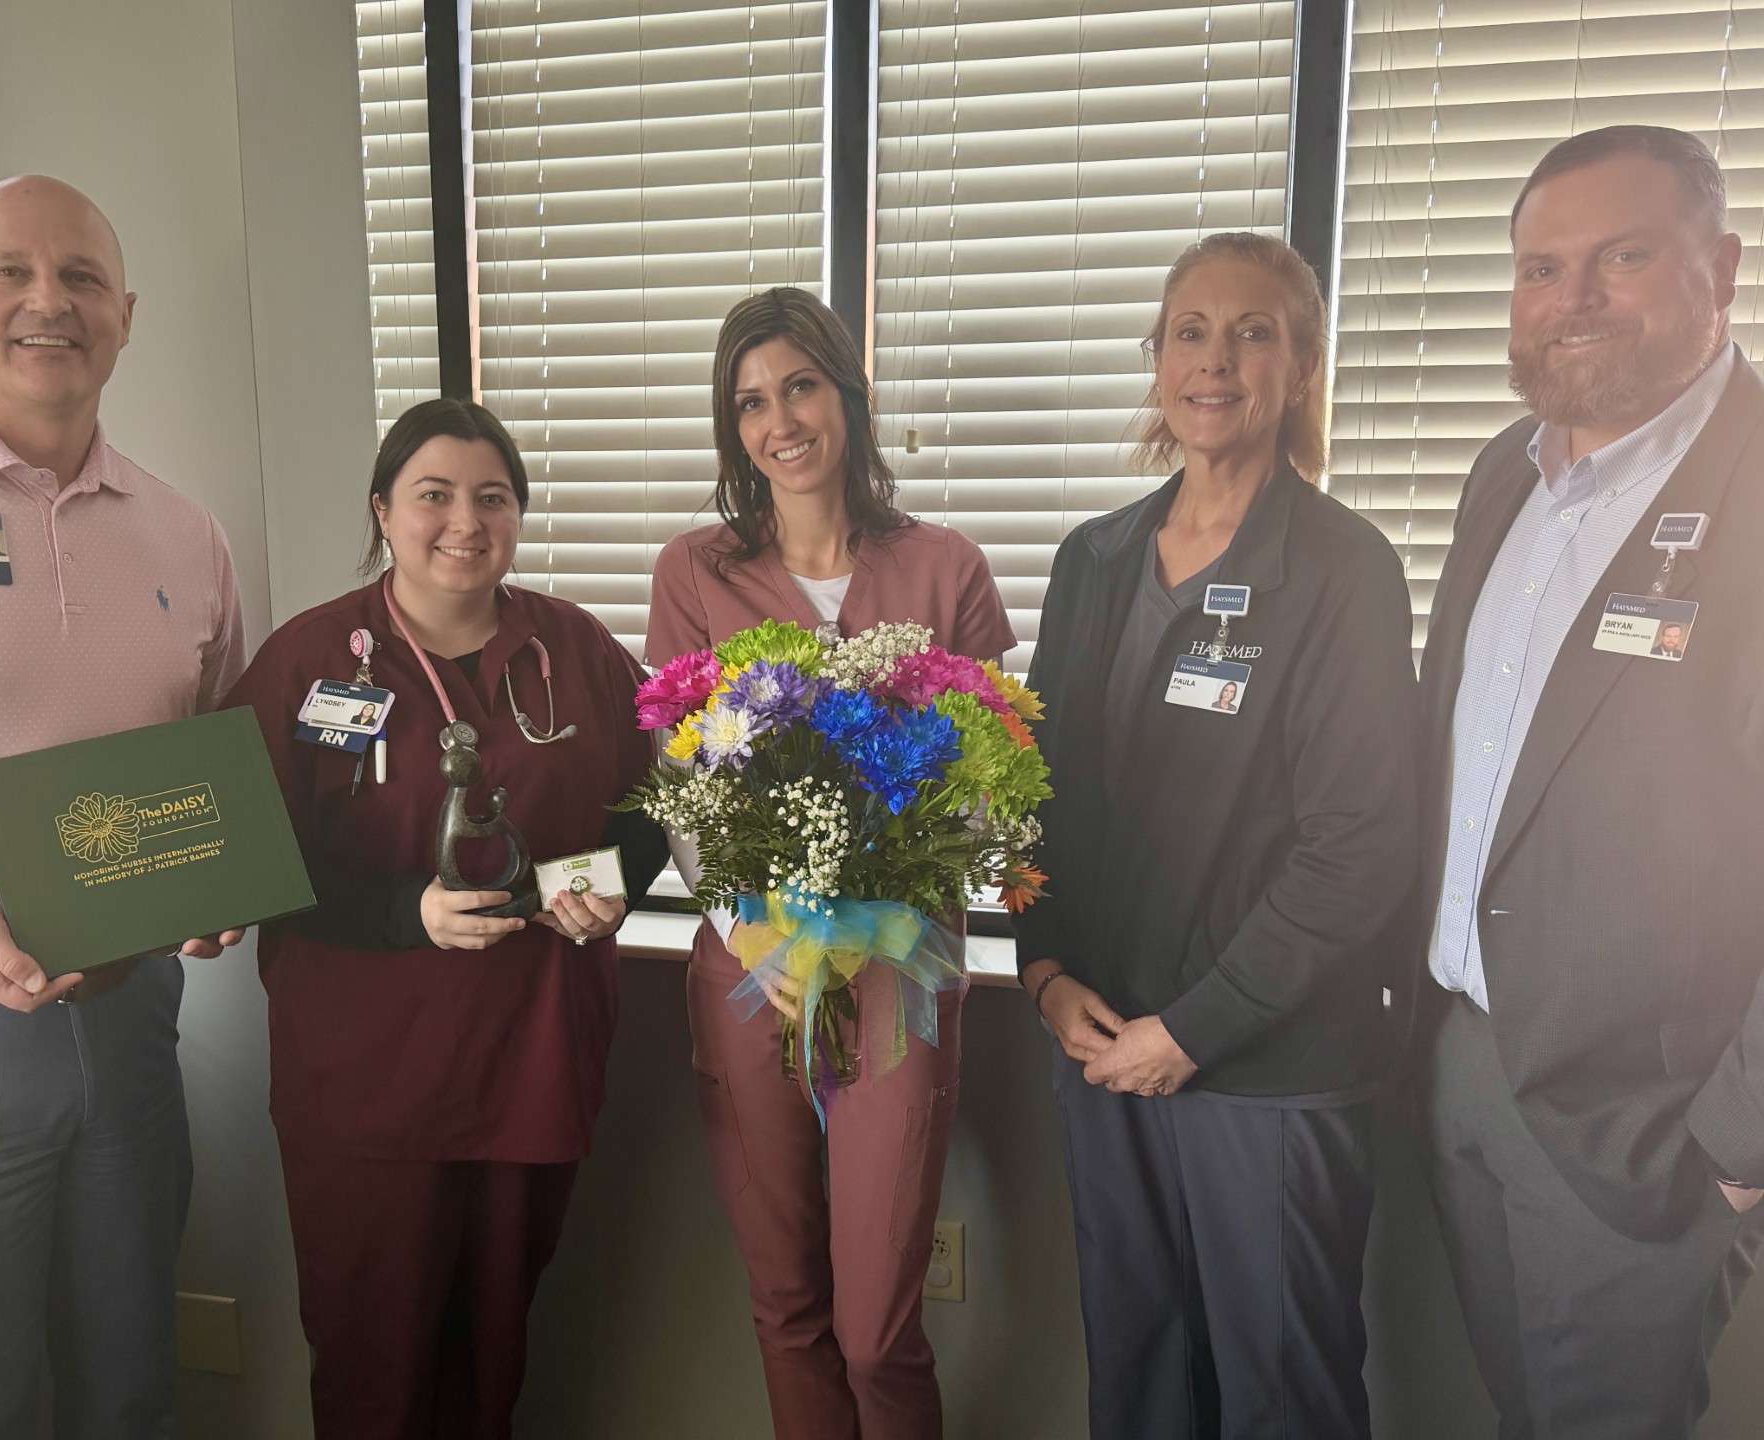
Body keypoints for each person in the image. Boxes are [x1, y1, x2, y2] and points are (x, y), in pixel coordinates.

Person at [0, 176, 247, 1439]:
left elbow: (214, 755)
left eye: (79, 278)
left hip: (130, 1023)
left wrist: (217, 886)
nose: (47, 303)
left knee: (134, 1377)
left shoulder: (189, 537)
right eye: (11, 274)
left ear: (124, 314)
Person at [1014, 232, 1418, 1440]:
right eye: (1190, 330)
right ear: (1156, 360)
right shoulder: (1094, 560)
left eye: (1253, 333)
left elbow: (1359, 848)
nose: (1216, 360)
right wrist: (1040, 971)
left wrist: (1193, 1028)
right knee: (1138, 1379)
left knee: (1280, 1396)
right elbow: (1037, 792)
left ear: (1299, 366)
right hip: (1104, 1047)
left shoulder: (1345, 569)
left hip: (1268, 1073)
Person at [224, 397, 667, 1440]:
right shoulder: (309, 663)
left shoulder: (574, 650)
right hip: (369, 1088)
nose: (463, 521)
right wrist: (400, 913)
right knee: (375, 1367)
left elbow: (662, 803)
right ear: (383, 510)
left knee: (492, 1359)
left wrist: (599, 882)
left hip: (532, 1063)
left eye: (492, 497)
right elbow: (239, 860)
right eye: (433, 495)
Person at [1413, 124, 1764, 1439]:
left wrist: (1739, 1147)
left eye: (1620, 259)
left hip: (1651, 1123)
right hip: (1463, 1061)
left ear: (1718, 267)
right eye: (1540, 269)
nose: (1573, 302)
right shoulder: (1505, 473)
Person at [647, 286, 1014, 1440]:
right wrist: (763, 933)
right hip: (750, 968)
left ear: (845, 396)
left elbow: (994, 781)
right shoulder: (695, 572)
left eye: (800, 386)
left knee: (874, 1329)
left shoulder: (943, 569)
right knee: (788, 1306)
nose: (780, 422)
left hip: (897, 968)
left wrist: (864, 928)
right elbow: (679, 780)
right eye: (750, 401)